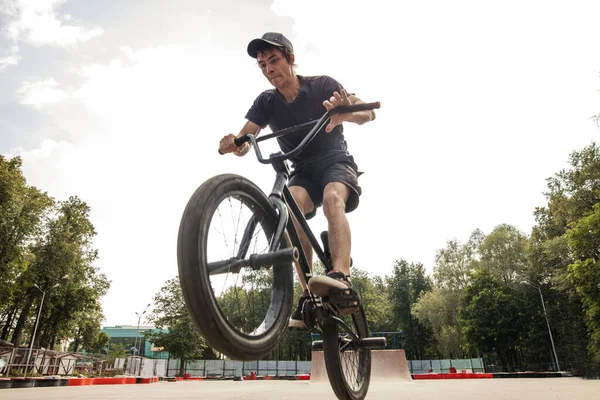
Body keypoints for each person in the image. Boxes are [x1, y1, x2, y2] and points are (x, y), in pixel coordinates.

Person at [218, 32, 376, 329]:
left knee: (332, 199)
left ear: (290, 59)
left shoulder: (323, 86)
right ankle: (307, 294)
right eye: (263, 66)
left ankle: (341, 275)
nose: (269, 70)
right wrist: (232, 144)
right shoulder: (266, 102)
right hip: (302, 169)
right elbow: (245, 141)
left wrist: (344, 114)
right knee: (289, 213)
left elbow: (367, 113)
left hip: (335, 160)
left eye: (274, 61)